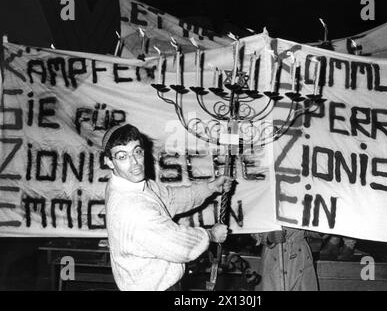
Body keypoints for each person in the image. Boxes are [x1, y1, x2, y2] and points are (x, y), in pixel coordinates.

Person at [102, 123, 233, 291]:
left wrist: (210, 187)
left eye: (137, 152)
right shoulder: (132, 208)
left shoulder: (130, 184)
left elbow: (170, 199)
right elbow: (179, 246)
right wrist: (210, 235)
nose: (134, 162)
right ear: (109, 162)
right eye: (122, 156)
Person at [252, 227, 318, 291]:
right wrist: (269, 236)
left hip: (301, 255)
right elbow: (253, 225)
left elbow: (308, 230)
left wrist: (320, 231)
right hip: (275, 253)